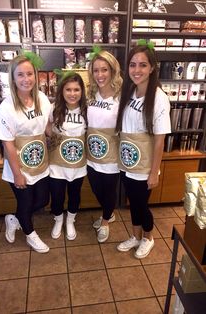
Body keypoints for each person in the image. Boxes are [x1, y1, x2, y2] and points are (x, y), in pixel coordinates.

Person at [116, 41, 171, 258]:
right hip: (128, 161)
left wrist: (153, 172)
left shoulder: (159, 99)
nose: (136, 70)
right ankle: (135, 235)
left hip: (145, 165)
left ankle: (149, 237)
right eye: (132, 65)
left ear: (152, 68)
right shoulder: (130, 92)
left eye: (142, 65)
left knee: (141, 204)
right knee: (133, 202)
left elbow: (160, 140)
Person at [0, 53, 53, 253]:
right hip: (18, 165)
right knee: (26, 202)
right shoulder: (7, 106)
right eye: (20, 75)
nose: (26, 79)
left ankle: (14, 218)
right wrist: (17, 174)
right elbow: (8, 144)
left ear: (35, 76)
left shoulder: (42, 99)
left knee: (43, 200)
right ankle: (30, 234)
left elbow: (47, 127)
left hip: (40, 162)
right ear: (13, 78)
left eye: (29, 74)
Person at [86, 48, 123, 243]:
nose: (100, 75)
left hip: (111, 156)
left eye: (104, 70)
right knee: (96, 189)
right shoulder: (90, 94)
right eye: (96, 70)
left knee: (108, 191)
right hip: (91, 154)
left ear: (113, 71)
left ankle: (106, 220)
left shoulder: (121, 97)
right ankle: (108, 212)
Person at [48, 72, 87, 240]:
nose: (72, 94)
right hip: (57, 164)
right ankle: (58, 220)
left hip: (78, 163)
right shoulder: (54, 107)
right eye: (68, 89)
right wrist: (56, 138)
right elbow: (47, 127)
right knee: (56, 195)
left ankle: (70, 220)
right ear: (62, 91)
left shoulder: (87, 110)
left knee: (75, 194)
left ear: (82, 91)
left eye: (76, 89)